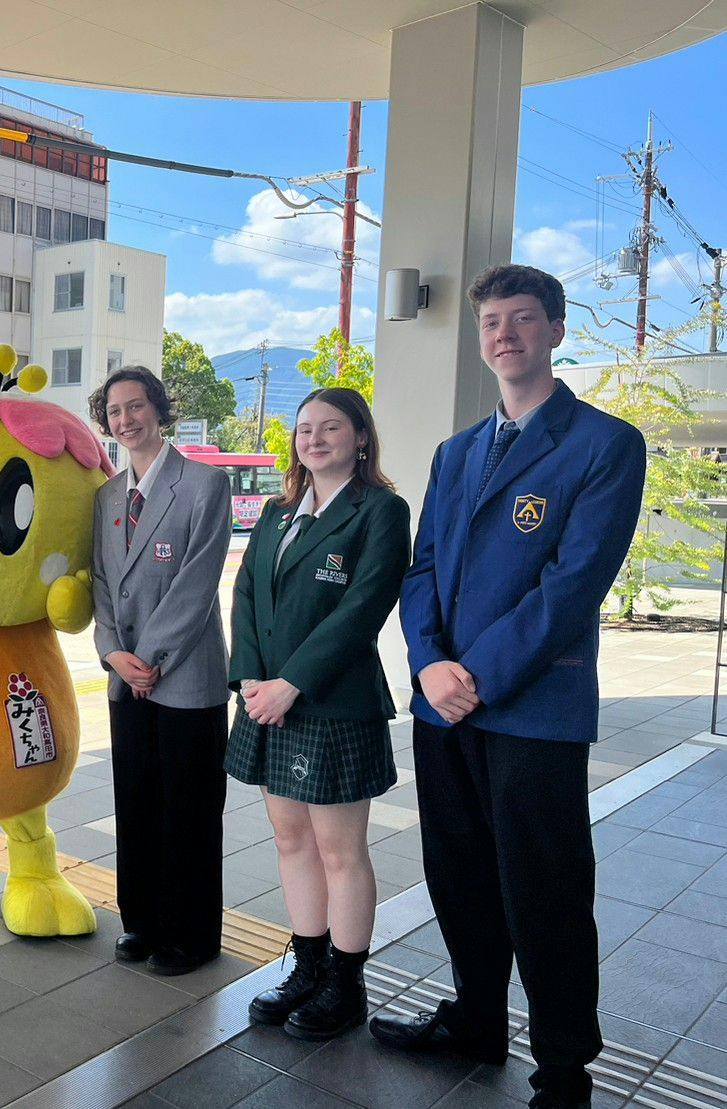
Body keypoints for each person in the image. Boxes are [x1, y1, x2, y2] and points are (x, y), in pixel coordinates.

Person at [372, 265, 646, 1109]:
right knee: (457, 875)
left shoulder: (604, 443)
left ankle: (563, 1067)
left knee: (545, 890)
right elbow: (421, 570)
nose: (504, 334)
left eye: (522, 318)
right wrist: (428, 664)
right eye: (491, 321)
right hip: (442, 707)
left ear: (555, 330)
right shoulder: (455, 452)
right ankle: (475, 1020)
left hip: (533, 710)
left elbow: (571, 585)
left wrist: (477, 676)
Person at [226, 387, 410, 1040]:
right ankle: (307, 968)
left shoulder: (380, 510)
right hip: (267, 700)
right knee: (289, 839)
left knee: (340, 849)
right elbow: (246, 593)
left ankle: (345, 984)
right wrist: (251, 677)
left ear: (360, 437)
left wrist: (291, 684)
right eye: (305, 429)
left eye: (330, 427)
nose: (314, 438)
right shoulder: (277, 513)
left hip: (332, 703)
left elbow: (363, 609)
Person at [89, 366, 232, 976]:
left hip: (186, 676)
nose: (126, 420)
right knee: (137, 800)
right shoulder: (106, 496)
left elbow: (197, 582)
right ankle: (141, 921)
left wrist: (148, 656)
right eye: (114, 411)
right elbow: (100, 582)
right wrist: (111, 651)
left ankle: (191, 936)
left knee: (189, 809)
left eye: (136, 406)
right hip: (126, 677)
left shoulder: (204, 484)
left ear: (159, 409)